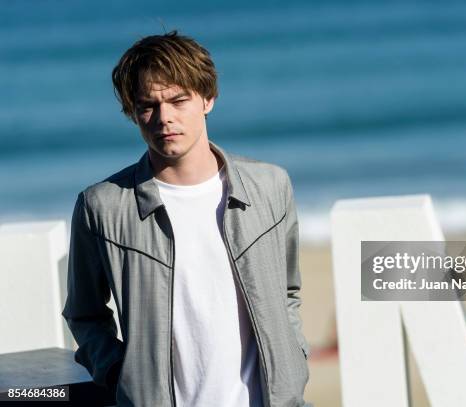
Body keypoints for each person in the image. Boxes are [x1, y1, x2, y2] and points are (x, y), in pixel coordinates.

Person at [62, 31, 310, 407]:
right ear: (133, 112)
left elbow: (288, 292)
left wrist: (294, 359)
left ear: (208, 99)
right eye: (148, 105)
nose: (164, 118)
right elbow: (85, 314)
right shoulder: (103, 207)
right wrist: (119, 377)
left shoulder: (270, 187)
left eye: (179, 100)